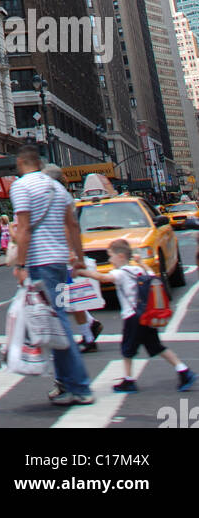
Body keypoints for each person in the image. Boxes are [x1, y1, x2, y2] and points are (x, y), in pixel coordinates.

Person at [11, 144, 93, 407]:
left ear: (21, 163)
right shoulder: (58, 189)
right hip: (58, 261)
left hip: (40, 262)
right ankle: (66, 384)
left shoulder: (22, 186)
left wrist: (21, 265)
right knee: (54, 322)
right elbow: (73, 225)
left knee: (57, 324)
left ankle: (79, 387)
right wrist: (78, 260)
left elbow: (23, 229)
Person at [75, 240, 195, 393]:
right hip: (145, 315)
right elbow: (152, 274)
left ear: (120, 256)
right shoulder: (138, 270)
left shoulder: (120, 273)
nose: (110, 260)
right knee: (157, 346)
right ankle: (183, 370)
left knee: (127, 349)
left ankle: (129, 381)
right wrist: (141, 263)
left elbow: (103, 278)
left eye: (110, 256)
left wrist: (82, 272)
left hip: (132, 317)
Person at [43, 164, 101, 354]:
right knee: (68, 298)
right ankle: (90, 326)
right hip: (61, 255)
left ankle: (87, 336)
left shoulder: (58, 197)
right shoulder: (62, 196)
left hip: (63, 257)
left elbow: (67, 227)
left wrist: (70, 253)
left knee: (70, 298)